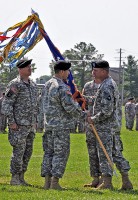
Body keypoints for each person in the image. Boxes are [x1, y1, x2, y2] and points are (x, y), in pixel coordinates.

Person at [41, 60, 87, 190]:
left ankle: (47, 183)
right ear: (62, 72)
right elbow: (69, 107)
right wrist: (84, 115)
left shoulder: (47, 84)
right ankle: (54, 183)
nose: (68, 74)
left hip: (48, 125)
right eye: (67, 71)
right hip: (60, 126)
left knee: (48, 153)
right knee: (60, 154)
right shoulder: (61, 87)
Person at [1, 58, 38, 186]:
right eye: (27, 67)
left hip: (30, 125)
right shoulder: (15, 84)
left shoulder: (32, 84)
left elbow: (35, 105)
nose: (30, 69)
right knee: (18, 151)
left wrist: (35, 121)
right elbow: (7, 104)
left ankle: (22, 177)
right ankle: (15, 178)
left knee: (28, 151)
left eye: (30, 66)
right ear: (20, 69)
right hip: (18, 125)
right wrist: (11, 122)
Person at [86, 60, 119, 189]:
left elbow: (107, 110)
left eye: (96, 70)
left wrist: (93, 118)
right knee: (97, 153)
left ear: (104, 71)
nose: (93, 73)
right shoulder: (104, 84)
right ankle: (98, 180)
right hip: (100, 126)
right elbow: (98, 100)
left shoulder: (107, 85)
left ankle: (107, 182)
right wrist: (83, 98)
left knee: (104, 154)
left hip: (104, 126)